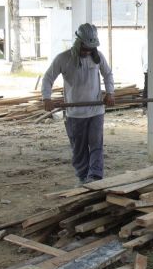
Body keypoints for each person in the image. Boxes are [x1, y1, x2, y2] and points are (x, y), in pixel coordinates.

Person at [42, 23, 115, 185]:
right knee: (79, 148)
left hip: (96, 111)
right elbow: (48, 78)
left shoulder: (98, 57)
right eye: (85, 48)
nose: (87, 51)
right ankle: (83, 177)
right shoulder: (63, 58)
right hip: (75, 114)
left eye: (91, 48)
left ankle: (95, 176)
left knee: (96, 145)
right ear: (78, 42)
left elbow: (108, 74)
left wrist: (110, 93)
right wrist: (46, 98)